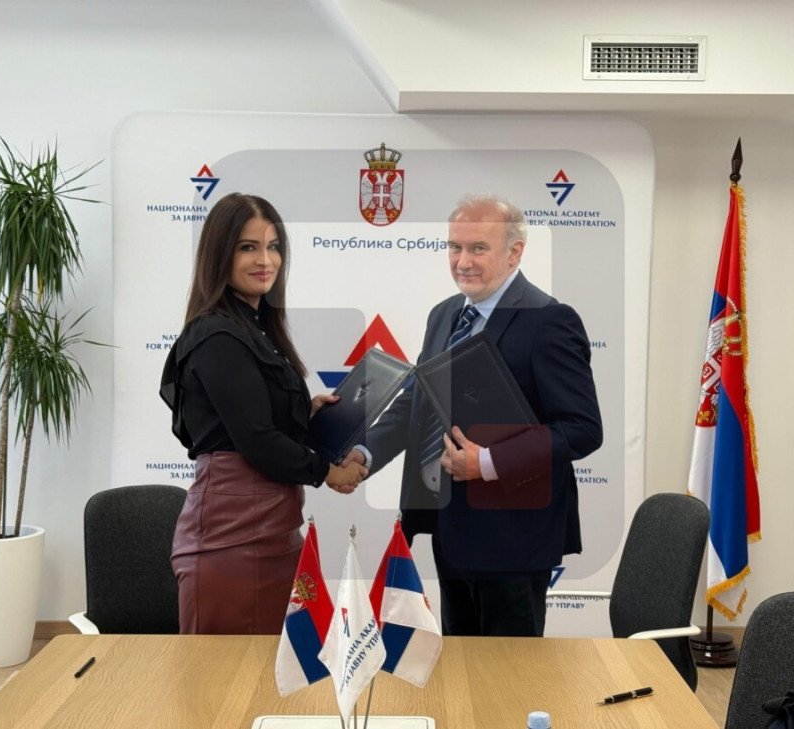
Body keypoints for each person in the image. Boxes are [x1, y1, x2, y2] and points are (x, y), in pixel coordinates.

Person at [344, 194, 602, 637]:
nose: (462, 261)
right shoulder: (444, 314)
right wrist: (364, 453)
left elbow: (581, 429)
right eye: (455, 247)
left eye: (478, 248)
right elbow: (418, 400)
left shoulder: (549, 320)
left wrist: (486, 462)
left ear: (514, 252)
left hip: (514, 539)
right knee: (461, 667)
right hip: (450, 529)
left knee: (509, 672)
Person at [159, 192, 366, 635]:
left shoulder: (254, 327)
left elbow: (253, 419)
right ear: (220, 254)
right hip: (231, 539)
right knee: (224, 675)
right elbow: (255, 439)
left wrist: (304, 413)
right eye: (248, 247)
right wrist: (328, 471)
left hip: (272, 529)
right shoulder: (217, 333)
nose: (265, 260)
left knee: (272, 669)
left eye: (273, 247)